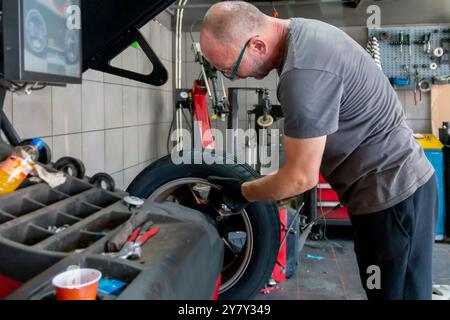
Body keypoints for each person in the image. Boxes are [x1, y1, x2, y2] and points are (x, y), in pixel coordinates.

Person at [201, 1, 438, 300]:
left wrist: (241, 193)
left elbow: (301, 178)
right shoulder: (302, 32)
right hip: (386, 193)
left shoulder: (302, 73)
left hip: (393, 197)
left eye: (230, 70)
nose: (235, 77)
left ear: (258, 45)